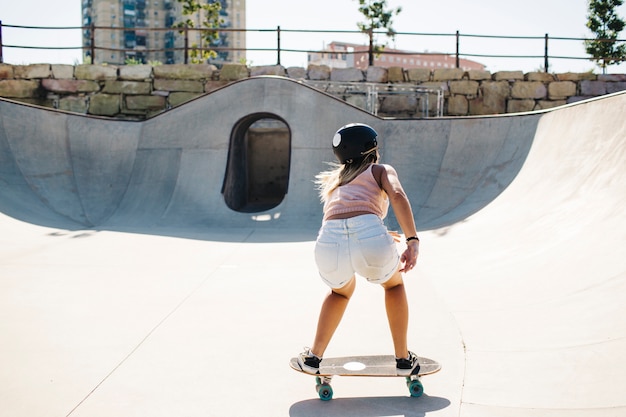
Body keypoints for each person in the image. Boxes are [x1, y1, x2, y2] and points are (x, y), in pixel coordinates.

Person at [297, 123, 421, 376]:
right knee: (394, 285)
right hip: (369, 235)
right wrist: (412, 240)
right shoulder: (380, 170)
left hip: (328, 242)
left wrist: (373, 231)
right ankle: (403, 360)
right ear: (372, 148)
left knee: (339, 293)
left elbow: (345, 219)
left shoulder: (336, 181)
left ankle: (313, 357)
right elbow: (397, 195)